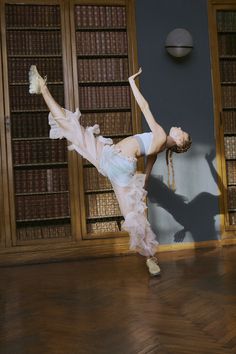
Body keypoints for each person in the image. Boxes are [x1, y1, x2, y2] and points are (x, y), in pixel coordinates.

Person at [28, 65, 192, 276]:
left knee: (75, 131)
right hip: (114, 164)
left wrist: (131, 81)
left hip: (115, 161)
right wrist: (142, 192)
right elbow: (149, 167)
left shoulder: (160, 134)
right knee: (132, 215)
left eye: (182, 132)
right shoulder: (160, 146)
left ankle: (43, 88)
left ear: (178, 141)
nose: (178, 127)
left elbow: (144, 106)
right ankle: (150, 258)